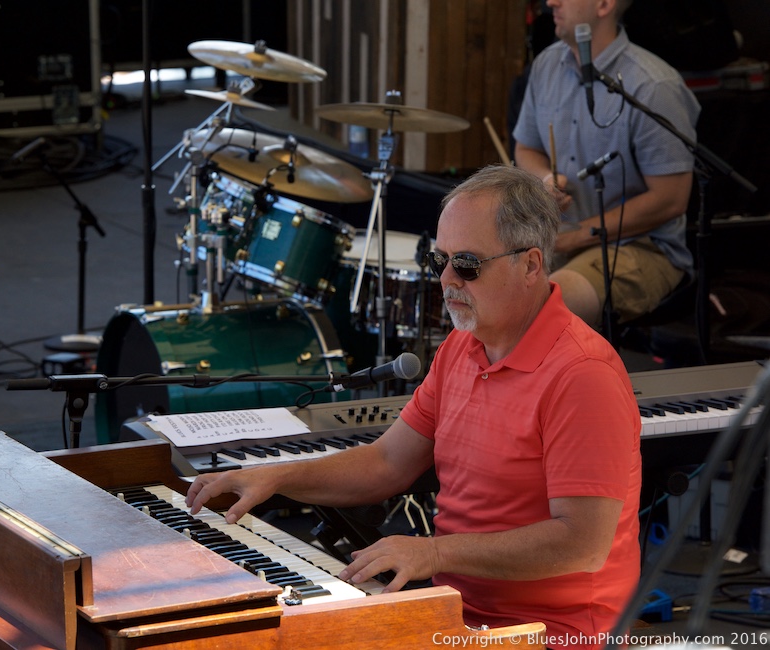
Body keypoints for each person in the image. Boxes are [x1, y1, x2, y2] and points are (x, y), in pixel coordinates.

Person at [187, 165, 643, 650]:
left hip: (558, 635)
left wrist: (433, 552)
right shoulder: (460, 349)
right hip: (457, 613)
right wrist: (278, 477)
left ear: (531, 265)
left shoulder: (582, 374)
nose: (446, 279)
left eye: (466, 264)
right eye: (438, 260)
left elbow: (583, 544)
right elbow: (386, 463)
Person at [513, 0, 701, 327]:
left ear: (603, 4)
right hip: (557, 238)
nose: (550, 2)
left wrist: (576, 236)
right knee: (486, 290)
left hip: (641, 248)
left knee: (544, 309)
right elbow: (525, 149)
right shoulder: (545, 65)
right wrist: (545, 178)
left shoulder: (653, 85)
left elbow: (671, 198)